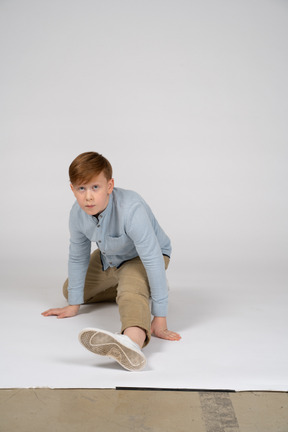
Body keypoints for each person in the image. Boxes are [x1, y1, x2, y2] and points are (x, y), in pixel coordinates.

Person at [42, 151, 181, 371]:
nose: (88, 197)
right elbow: (78, 256)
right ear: (72, 189)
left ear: (109, 185)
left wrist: (160, 316)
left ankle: (130, 342)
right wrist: (73, 305)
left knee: (131, 292)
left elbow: (152, 258)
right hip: (110, 258)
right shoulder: (77, 214)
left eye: (95, 187)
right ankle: (144, 288)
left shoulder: (131, 209)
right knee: (70, 290)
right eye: (81, 188)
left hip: (144, 257)